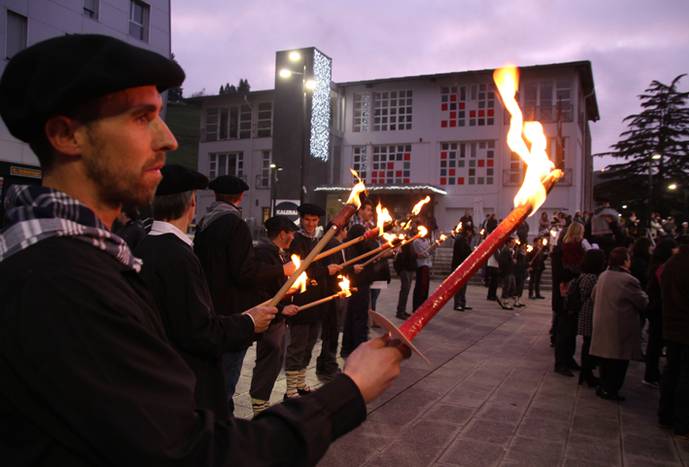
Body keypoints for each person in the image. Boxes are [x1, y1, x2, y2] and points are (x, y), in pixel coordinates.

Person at [0, 34, 403, 465]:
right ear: (66, 135)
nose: (169, 139)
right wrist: (350, 391)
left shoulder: (85, 258)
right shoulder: (60, 283)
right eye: (141, 118)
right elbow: (195, 453)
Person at [136, 164, 282, 419]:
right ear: (191, 203)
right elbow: (198, 331)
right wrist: (249, 322)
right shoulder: (178, 256)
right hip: (186, 378)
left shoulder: (143, 245)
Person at [285, 203, 339, 399]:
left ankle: (300, 382)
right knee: (298, 345)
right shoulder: (296, 240)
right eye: (307, 219)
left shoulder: (321, 240)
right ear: (301, 220)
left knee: (310, 344)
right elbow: (300, 268)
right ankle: (290, 388)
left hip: (319, 299)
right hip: (301, 299)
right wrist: (325, 271)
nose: (310, 224)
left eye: (314, 220)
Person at [249, 215, 300, 415]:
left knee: (277, 357)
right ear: (282, 234)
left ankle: (262, 400)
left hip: (278, 316)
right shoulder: (264, 253)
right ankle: (259, 402)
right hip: (269, 316)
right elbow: (260, 289)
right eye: (291, 233)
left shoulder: (279, 254)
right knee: (269, 356)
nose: (293, 237)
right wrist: (280, 308)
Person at [590, 247, 649, 401]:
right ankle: (611, 389)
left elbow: (593, 295)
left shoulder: (604, 275)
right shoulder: (628, 280)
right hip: (619, 324)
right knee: (618, 361)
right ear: (625, 261)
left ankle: (604, 386)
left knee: (605, 359)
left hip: (602, 321)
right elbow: (642, 302)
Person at [658, 230, 689, 440]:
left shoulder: (672, 263)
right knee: (688, 377)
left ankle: (665, 415)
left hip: (672, 325)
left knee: (672, 371)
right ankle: (684, 424)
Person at [554, 222, 589, 376]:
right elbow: (561, 274)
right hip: (564, 295)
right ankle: (561, 362)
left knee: (572, 330)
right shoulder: (561, 250)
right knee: (564, 331)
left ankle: (569, 358)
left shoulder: (578, 250)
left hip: (574, 294)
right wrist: (577, 273)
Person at [316, 225, 349, 381]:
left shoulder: (335, 244)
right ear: (341, 230)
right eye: (345, 229)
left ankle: (325, 363)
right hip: (331, 293)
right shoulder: (332, 245)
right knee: (331, 329)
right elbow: (334, 271)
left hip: (334, 291)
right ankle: (328, 365)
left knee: (332, 329)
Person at [341, 201, 374, 357]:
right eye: (368, 210)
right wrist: (352, 267)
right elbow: (358, 251)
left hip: (362, 279)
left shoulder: (367, 228)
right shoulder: (357, 229)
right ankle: (356, 348)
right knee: (357, 315)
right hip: (358, 281)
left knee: (355, 315)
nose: (370, 213)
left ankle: (349, 347)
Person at [644, 238, 679, 386]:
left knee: (654, 341)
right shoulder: (662, 268)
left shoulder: (655, 265)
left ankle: (651, 373)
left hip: (654, 307)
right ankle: (651, 374)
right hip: (659, 308)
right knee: (656, 342)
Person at [576, 248, 607, 387]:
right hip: (589, 313)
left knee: (587, 344)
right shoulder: (592, 278)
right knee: (588, 345)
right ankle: (587, 374)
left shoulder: (585, 275)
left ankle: (585, 373)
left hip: (585, 312)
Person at [394, 228, 417, 319]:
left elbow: (411, 255)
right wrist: (401, 270)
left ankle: (402, 310)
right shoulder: (404, 243)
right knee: (404, 291)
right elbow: (400, 257)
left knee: (406, 291)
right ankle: (400, 312)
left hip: (409, 269)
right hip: (405, 270)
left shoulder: (410, 243)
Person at [452, 224, 473, 311]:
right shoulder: (460, 239)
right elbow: (462, 252)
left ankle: (462, 302)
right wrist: (471, 252)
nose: (471, 234)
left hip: (463, 265)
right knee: (459, 286)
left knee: (463, 286)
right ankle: (457, 304)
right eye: (470, 232)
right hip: (459, 265)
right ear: (467, 231)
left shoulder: (464, 239)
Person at [412, 224, 433, 312]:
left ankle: (424, 305)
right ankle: (417, 307)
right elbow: (423, 254)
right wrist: (428, 253)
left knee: (426, 287)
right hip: (421, 266)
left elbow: (430, 251)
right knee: (420, 286)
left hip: (427, 265)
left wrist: (433, 247)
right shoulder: (416, 241)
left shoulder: (427, 240)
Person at [496, 238, 516, 310]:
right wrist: (512, 262)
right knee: (507, 287)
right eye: (512, 242)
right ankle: (504, 301)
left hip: (510, 271)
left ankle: (504, 299)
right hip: (507, 271)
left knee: (511, 286)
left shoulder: (509, 250)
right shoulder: (505, 250)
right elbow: (502, 261)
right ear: (508, 243)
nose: (514, 244)